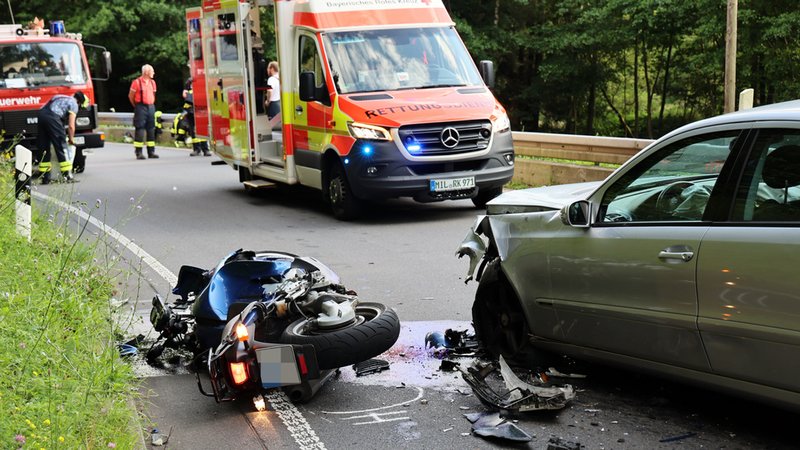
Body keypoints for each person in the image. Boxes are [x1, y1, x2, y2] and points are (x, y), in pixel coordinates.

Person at [36, 91, 87, 184]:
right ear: (79, 102)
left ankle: (45, 177)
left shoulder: (59, 96)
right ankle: (67, 175)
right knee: (61, 146)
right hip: (53, 118)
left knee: (44, 147)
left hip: (41, 115)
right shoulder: (74, 104)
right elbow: (71, 126)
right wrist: (71, 139)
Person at [128, 64, 159, 159]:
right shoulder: (136, 82)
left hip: (151, 107)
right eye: (152, 71)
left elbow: (153, 94)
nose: (153, 73)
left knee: (151, 129)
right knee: (140, 129)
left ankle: (151, 152)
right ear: (146, 72)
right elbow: (131, 96)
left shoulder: (153, 83)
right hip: (140, 107)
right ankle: (139, 152)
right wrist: (137, 106)